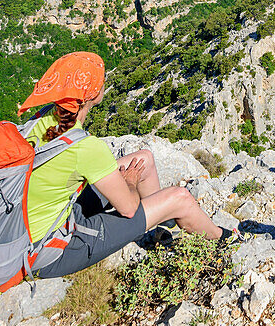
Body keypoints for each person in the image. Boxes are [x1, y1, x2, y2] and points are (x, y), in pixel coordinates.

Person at [18, 51, 231, 278]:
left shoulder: (40, 120)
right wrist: (129, 184)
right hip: (48, 251)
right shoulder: (86, 147)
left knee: (144, 159)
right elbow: (128, 208)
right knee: (181, 197)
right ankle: (226, 241)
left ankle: (163, 226)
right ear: (92, 93)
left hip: (38, 222)